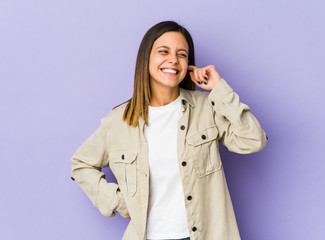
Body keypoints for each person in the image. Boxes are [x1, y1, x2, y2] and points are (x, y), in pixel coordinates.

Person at [70, 20, 267, 240]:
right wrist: (117, 202)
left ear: (188, 63)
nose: (173, 59)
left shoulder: (207, 107)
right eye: (164, 51)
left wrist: (219, 89)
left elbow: (253, 140)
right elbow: (81, 164)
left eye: (182, 54)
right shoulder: (118, 121)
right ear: (146, 58)